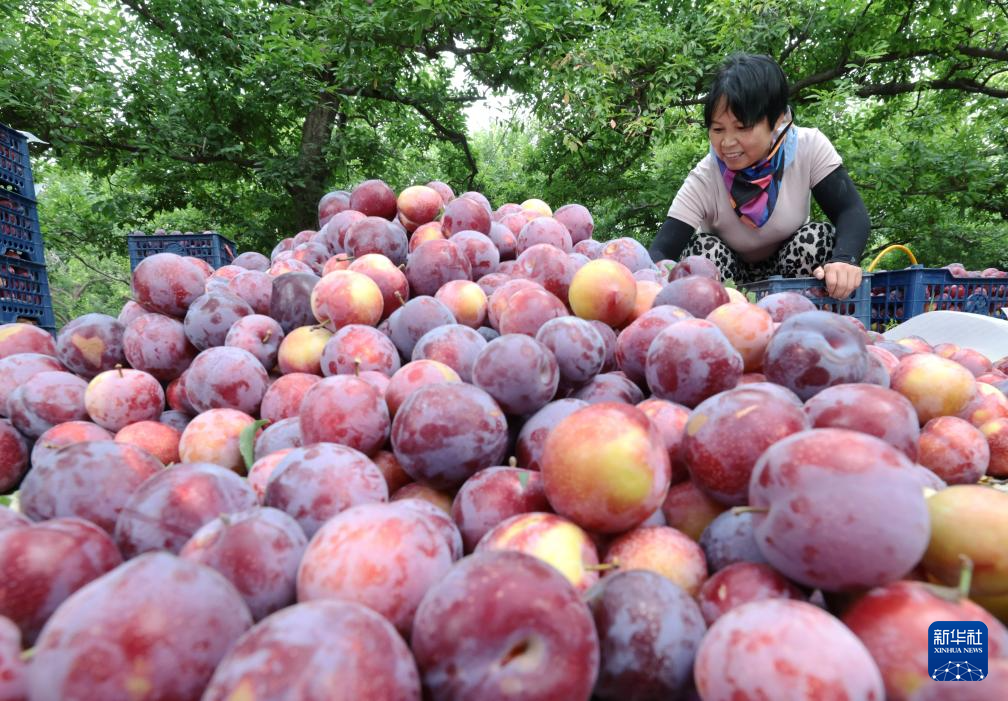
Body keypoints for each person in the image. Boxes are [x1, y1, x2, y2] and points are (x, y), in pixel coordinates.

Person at [648, 53, 870, 299]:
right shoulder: (705, 176)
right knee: (702, 253)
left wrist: (844, 260)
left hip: (792, 276)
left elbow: (850, 211)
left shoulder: (809, 147)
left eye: (742, 127)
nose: (728, 143)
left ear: (775, 120)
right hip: (731, 289)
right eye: (718, 129)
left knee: (816, 239)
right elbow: (661, 252)